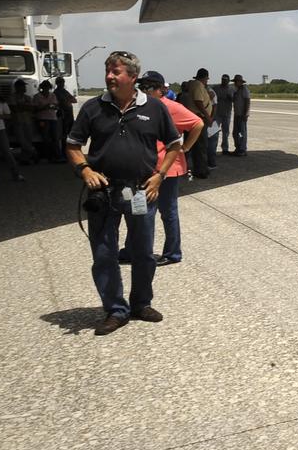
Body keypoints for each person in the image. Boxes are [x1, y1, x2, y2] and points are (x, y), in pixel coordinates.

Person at [67, 51, 181, 333]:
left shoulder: (154, 108)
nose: (109, 76)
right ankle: (116, 310)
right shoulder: (93, 108)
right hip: (103, 192)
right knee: (104, 253)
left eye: (115, 72)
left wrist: (159, 176)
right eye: (107, 70)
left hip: (142, 190)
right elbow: (72, 145)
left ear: (132, 77)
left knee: (143, 252)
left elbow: (174, 145)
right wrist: (85, 170)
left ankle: (141, 303)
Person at [134, 71, 203, 266]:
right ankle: (135, 249)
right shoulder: (141, 106)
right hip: (145, 168)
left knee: (166, 211)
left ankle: (172, 253)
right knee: (140, 211)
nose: (141, 90)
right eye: (141, 87)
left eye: (146, 87)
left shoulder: (171, 107)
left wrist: (186, 147)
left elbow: (198, 123)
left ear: (158, 90)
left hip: (167, 169)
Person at [179, 68, 214, 178]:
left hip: (194, 117)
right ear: (204, 78)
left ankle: (191, 167)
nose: (207, 81)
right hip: (199, 117)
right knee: (201, 145)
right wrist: (207, 116)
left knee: (194, 145)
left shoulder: (193, 85)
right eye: (206, 79)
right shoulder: (198, 85)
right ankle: (201, 170)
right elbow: (198, 101)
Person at [9, 79, 39, 165]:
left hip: (28, 121)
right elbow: (14, 109)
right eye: (22, 86)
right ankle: (33, 151)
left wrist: (21, 107)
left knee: (28, 140)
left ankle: (25, 158)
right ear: (17, 87)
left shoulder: (27, 97)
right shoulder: (12, 97)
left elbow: (32, 108)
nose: (24, 87)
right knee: (22, 141)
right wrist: (25, 107)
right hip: (17, 122)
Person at [33, 80, 62, 161]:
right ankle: (48, 155)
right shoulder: (37, 96)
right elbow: (34, 109)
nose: (46, 89)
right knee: (45, 138)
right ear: (42, 88)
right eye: (45, 87)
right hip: (42, 119)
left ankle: (57, 155)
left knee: (55, 138)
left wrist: (54, 107)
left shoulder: (52, 95)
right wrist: (45, 107)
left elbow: (56, 106)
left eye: (48, 87)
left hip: (53, 118)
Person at [215, 74, 235, 154]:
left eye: (226, 80)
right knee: (214, 131)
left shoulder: (231, 89)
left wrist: (231, 98)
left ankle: (225, 148)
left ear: (228, 81)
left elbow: (235, 100)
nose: (224, 81)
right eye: (223, 79)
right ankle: (213, 148)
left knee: (226, 132)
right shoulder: (216, 88)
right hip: (217, 113)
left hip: (227, 113)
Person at [231, 74, 250, 156]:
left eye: (236, 81)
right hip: (237, 114)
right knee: (235, 132)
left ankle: (242, 149)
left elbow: (247, 101)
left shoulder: (244, 89)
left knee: (242, 133)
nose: (235, 83)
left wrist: (246, 113)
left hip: (241, 114)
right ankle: (238, 148)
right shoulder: (237, 90)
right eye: (235, 81)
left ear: (240, 82)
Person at [54, 75, 76, 143]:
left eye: (63, 82)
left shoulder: (65, 91)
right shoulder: (56, 92)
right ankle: (63, 149)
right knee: (63, 133)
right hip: (63, 114)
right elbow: (60, 102)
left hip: (69, 114)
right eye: (60, 82)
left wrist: (66, 100)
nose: (62, 84)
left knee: (69, 131)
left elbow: (74, 100)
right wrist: (67, 100)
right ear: (57, 83)